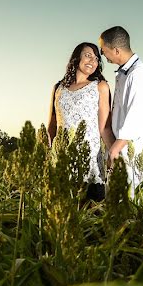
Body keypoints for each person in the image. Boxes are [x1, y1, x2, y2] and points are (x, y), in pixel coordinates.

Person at [47, 42, 113, 201]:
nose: (93, 60)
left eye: (96, 58)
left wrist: (113, 153)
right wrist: (46, 152)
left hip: (89, 162)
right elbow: (52, 125)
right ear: (76, 58)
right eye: (88, 55)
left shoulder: (100, 86)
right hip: (62, 160)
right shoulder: (58, 88)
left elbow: (105, 127)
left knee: (92, 216)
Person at [98, 26, 143, 195]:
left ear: (116, 50)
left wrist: (115, 149)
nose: (102, 55)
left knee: (133, 204)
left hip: (136, 151)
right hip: (124, 150)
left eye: (104, 51)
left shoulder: (139, 73)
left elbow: (137, 114)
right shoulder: (126, 73)